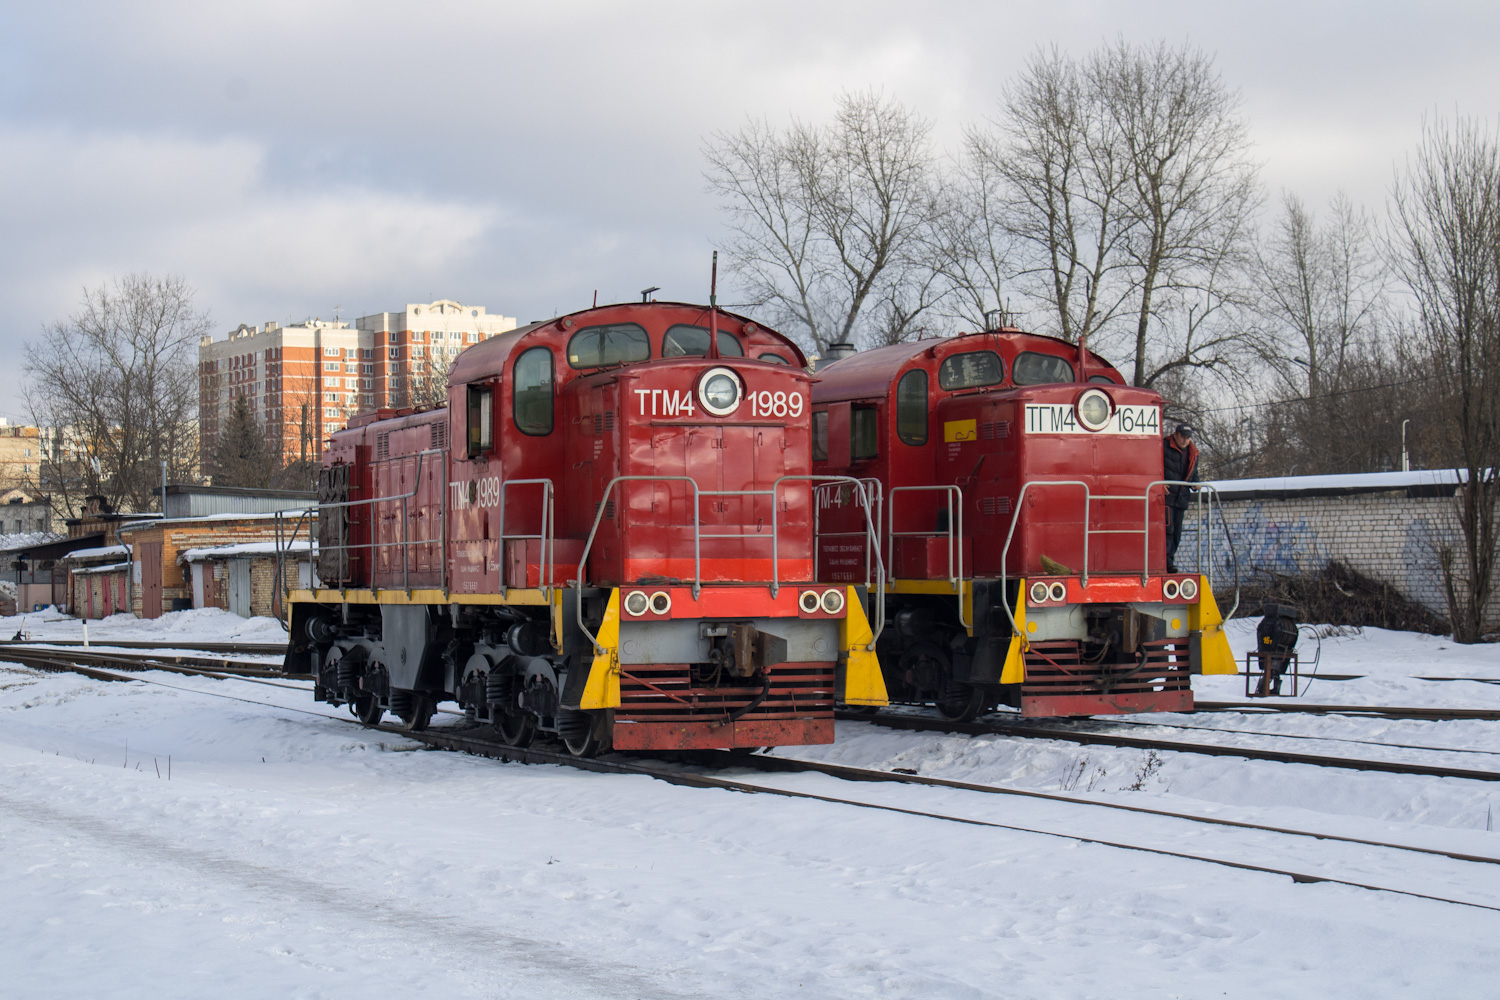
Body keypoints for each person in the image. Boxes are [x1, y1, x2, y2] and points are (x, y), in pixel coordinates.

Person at [1162, 423, 1199, 573]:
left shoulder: (1193, 453)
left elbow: (1193, 473)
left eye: (1188, 437)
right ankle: (1167, 563)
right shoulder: (1163, 446)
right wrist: (1159, 484)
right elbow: (1156, 466)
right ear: (1175, 435)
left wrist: (1196, 483)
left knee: (1177, 532)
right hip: (1167, 497)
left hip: (1181, 498)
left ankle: (1170, 561)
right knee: (1168, 530)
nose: (1185, 440)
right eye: (1182, 436)